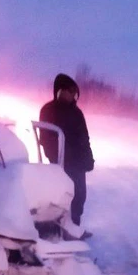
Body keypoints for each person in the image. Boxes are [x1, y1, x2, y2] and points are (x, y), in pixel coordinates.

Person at [39, 73, 95, 229]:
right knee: (60, 197)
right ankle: (56, 227)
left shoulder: (77, 113)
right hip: (58, 162)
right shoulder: (48, 110)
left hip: (77, 163)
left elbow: (84, 138)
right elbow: (46, 139)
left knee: (79, 195)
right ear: (60, 91)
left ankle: (74, 226)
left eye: (75, 92)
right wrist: (60, 157)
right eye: (70, 91)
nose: (73, 96)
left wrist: (88, 158)